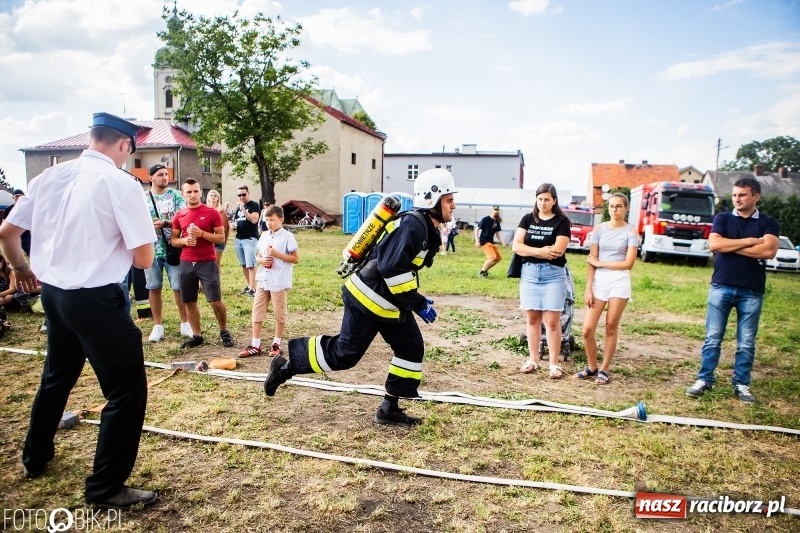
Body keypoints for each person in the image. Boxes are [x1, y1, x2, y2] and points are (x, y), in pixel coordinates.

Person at [0, 112, 158, 509]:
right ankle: (105, 487)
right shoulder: (121, 184)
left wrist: (21, 270)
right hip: (95, 298)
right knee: (125, 391)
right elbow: (142, 260)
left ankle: (34, 458)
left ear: (93, 138)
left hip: (54, 294)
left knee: (57, 376)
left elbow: (7, 233)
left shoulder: (47, 177)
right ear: (124, 145)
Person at [263, 168, 457, 427]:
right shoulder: (413, 225)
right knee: (345, 355)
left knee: (411, 347)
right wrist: (418, 301)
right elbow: (391, 268)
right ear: (432, 200)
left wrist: (411, 300)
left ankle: (389, 408)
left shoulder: (425, 227)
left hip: (389, 302)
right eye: (449, 199)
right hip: (367, 298)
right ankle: (285, 367)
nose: (454, 205)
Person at [685, 177, 779, 404]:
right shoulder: (723, 218)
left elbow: (768, 251)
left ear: (756, 196)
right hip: (721, 285)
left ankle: (741, 383)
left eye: (742, 195)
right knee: (713, 337)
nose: (737, 199)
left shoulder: (769, 222)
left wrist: (732, 246)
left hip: (752, 289)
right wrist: (749, 241)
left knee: (746, 341)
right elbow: (715, 245)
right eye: (735, 194)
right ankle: (705, 379)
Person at [575, 193, 638, 385]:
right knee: (587, 330)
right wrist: (588, 288)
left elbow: (628, 264)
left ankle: (604, 369)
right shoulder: (599, 230)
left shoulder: (631, 232)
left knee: (611, 326)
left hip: (619, 280)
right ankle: (592, 366)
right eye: (611, 206)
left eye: (619, 206)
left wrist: (601, 262)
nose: (615, 210)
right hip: (599, 281)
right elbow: (591, 262)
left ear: (625, 208)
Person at [513, 183, 571, 379]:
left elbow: (558, 251)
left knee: (552, 321)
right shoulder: (528, 218)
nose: (543, 203)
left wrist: (531, 250)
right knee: (532, 319)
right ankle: (533, 359)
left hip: (553, 275)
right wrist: (541, 251)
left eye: (547, 199)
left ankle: (554, 364)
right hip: (529, 273)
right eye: (540, 199)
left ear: (554, 200)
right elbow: (516, 246)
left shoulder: (562, 221)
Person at [171, 178, 233, 349]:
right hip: (186, 262)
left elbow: (221, 237)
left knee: (215, 300)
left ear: (201, 192)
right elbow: (174, 240)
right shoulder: (180, 214)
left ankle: (224, 331)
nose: (192, 195)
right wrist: (184, 241)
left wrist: (202, 234)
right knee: (189, 300)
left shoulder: (212, 213)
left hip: (207, 261)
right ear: (183, 194)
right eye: (189, 192)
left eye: (196, 191)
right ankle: (197, 335)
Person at [239, 205, 299, 358]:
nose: (269, 223)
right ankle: (255, 344)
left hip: (278, 280)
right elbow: (258, 256)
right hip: (263, 279)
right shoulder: (264, 235)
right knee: (257, 310)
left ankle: (276, 343)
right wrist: (262, 260)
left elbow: (295, 259)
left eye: (272, 220)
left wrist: (277, 254)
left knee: (279, 312)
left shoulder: (287, 237)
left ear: (281, 219)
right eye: (266, 219)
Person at [144, 163, 191, 342]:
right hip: (151, 250)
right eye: (160, 174)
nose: (165, 177)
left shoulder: (176, 196)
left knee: (178, 287)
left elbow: (183, 218)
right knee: (153, 287)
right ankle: (157, 326)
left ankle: (184, 323)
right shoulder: (144, 198)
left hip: (174, 248)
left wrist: (165, 223)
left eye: (166, 174)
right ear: (151, 178)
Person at [233, 185, 261, 297]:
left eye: (243, 194)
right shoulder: (237, 208)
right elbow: (237, 221)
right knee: (244, 264)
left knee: (251, 265)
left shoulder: (254, 205)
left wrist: (244, 210)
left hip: (249, 239)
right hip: (239, 238)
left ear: (248, 194)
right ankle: (249, 286)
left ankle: (254, 289)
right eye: (239, 195)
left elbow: (254, 220)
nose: (241, 197)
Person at [475, 205, 507, 277]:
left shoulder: (497, 221)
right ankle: (481, 273)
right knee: (492, 257)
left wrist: (502, 242)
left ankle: (485, 270)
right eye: (495, 210)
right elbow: (477, 229)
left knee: (498, 258)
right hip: (484, 241)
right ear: (492, 210)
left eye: (498, 210)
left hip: (491, 241)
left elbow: (497, 233)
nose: (497, 211)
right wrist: (477, 241)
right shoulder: (485, 219)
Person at [205, 190, 230, 272]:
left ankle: (216, 282)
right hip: (207, 239)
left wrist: (224, 241)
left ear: (218, 198)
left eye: (215, 195)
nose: (213, 197)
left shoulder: (221, 211)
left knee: (216, 262)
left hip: (218, 241)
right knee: (204, 263)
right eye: (211, 195)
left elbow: (226, 227)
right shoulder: (204, 210)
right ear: (208, 197)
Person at [3, 189, 31, 256]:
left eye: (20, 196)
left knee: (30, 252)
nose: (18, 198)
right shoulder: (8, 209)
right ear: (13, 197)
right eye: (17, 196)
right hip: (13, 235)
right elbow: (4, 223)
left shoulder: (28, 208)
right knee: (13, 255)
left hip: (26, 235)